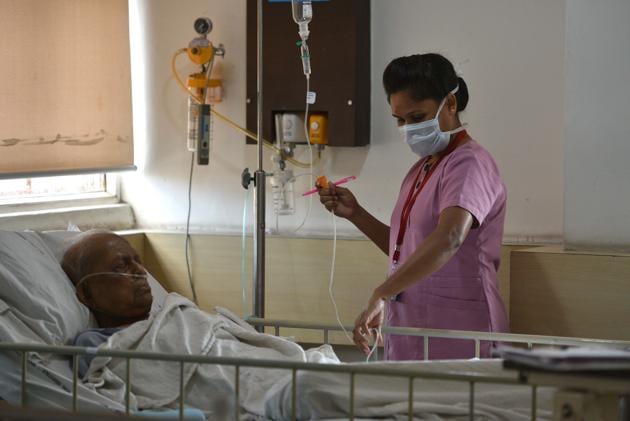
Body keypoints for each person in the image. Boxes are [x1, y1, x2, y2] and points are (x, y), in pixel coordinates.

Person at [318, 53, 509, 360]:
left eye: (417, 118)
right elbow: (407, 250)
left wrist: (382, 292)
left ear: (450, 104)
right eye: (400, 120)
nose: (408, 128)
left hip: (461, 332)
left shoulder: (470, 164)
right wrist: (357, 214)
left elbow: (450, 237)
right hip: (413, 328)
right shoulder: (422, 169)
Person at [61, 230, 153, 376]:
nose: (140, 271)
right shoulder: (96, 344)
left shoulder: (172, 315)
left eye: (138, 261)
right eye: (121, 266)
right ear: (87, 294)